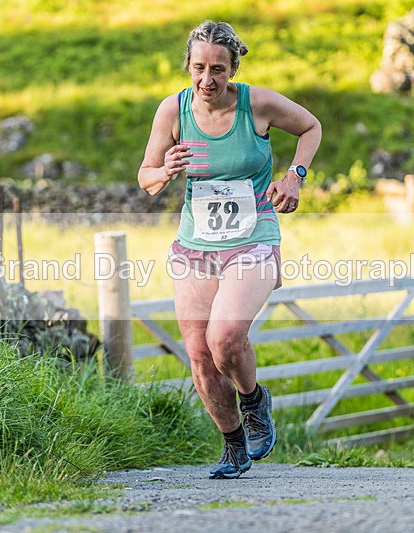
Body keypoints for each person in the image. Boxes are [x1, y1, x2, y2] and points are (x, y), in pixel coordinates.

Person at [138, 20, 321, 479]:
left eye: (217, 69)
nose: (207, 80)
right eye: (198, 68)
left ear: (233, 69)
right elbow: (145, 176)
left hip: (254, 238)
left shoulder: (257, 105)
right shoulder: (173, 110)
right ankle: (234, 445)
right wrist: (164, 172)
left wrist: (293, 177)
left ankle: (254, 401)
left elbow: (311, 127)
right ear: (187, 66)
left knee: (224, 340)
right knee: (199, 353)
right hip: (195, 246)